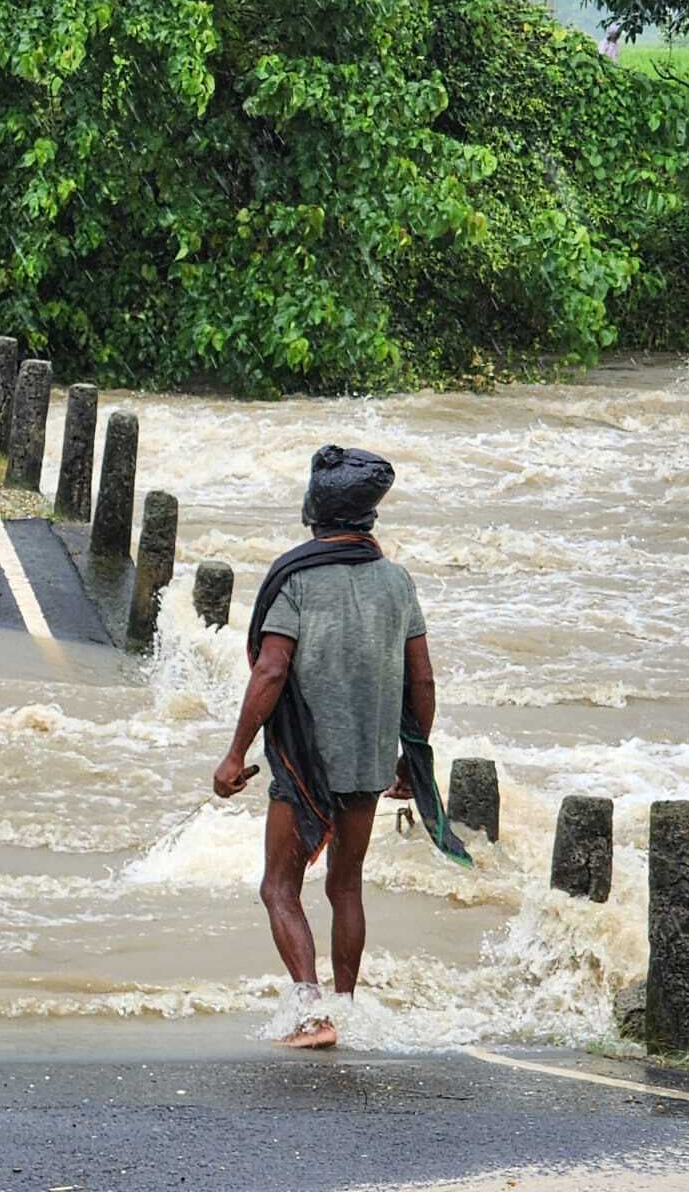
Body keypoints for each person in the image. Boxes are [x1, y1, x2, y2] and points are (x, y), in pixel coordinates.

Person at [213, 445, 461, 1051]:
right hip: (369, 759)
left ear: (314, 512)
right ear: (366, 518)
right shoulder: (396, 579)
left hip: (305, 762)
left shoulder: (295, 579)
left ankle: (311, 1011)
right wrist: (413, 759)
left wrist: (233, 753)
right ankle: (345, 1010)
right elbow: (422, 679)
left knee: (279, 887)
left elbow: (271, 672)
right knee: (345, 884)